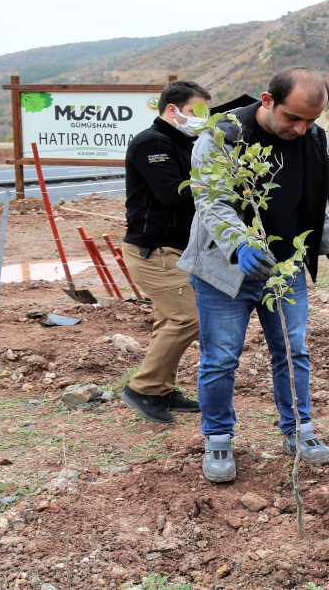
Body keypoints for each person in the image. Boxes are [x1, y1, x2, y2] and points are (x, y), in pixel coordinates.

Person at [178, 67, 329, 483]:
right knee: (220, 358)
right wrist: (240, 244)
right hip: (224, 269)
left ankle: (300, 432)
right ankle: (218, 438)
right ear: (268, 100)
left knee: (293, 351)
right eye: (294, 118)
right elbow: (211, 201)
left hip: (285, 267)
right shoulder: (223, 135)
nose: (301, 128)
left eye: (311, 120)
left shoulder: (312, 138)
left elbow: (316, 201)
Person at [120, 80, 211, 424]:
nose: (201, 119)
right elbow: (173, 194)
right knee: (189, 317)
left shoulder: (181, 142)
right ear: (172, 110)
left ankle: (161, 390)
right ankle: (142, 388)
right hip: (155, 251)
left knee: (167, 321)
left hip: (175, 250)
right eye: (194, 112)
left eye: (205, 113)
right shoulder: (152, 142)